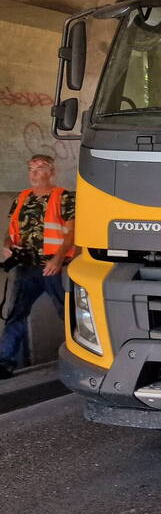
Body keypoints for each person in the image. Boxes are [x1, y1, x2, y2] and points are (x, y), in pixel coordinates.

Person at [0, 155, 75, 379]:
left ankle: (84, 358)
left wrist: (57, 260)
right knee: (16, 314)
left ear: (51, 172)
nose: (33, 173)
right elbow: (10, 230)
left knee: (69, 315)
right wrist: (7, 246)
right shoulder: (22, 197)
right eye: (30, 168)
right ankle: (4, 363)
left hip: (54, 268)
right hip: (27, 267)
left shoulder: (63, 197)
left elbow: (72, 232)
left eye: (39, 168)